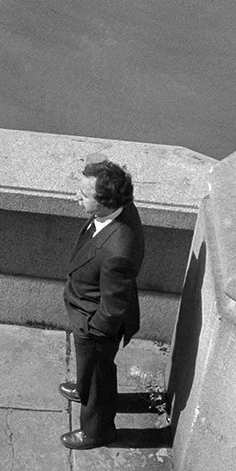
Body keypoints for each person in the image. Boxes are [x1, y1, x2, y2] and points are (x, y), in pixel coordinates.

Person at [60, 157, 144, 449]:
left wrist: (92, 329)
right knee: (91, 370)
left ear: (106, 203)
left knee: (98, 373)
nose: (76, 197)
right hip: (86, 309)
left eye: (84, 195)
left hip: (94, 322)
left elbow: (112, 307)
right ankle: (85, 387)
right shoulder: (117, 212)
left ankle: (97, 430)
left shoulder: (118, 250)